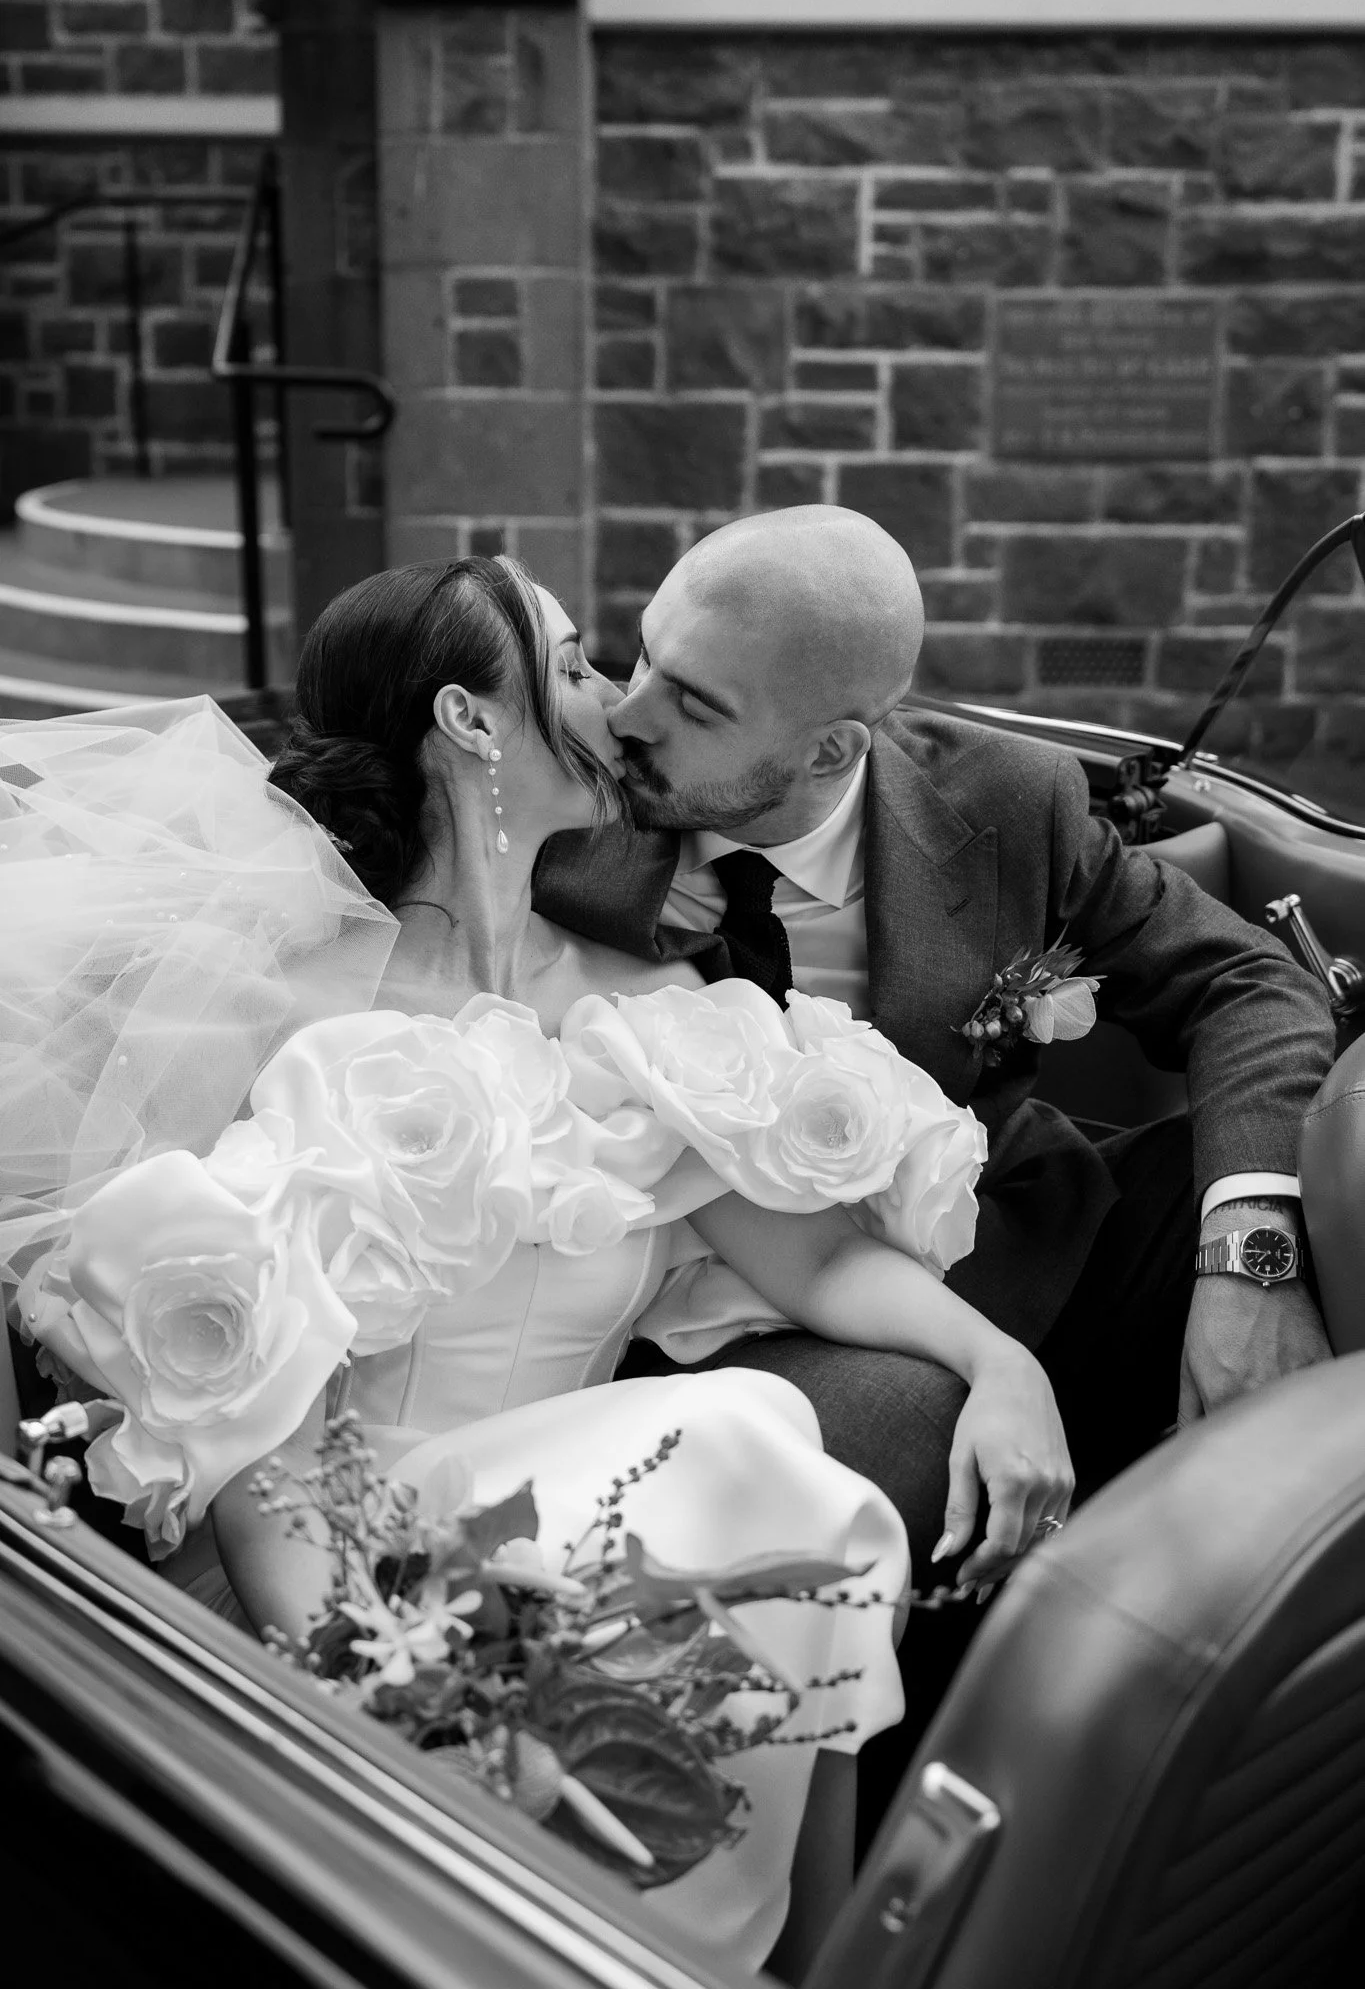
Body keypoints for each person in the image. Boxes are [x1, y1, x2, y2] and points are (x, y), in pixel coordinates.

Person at [0, 556, 1070, 1976]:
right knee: (739, 1440)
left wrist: (1003, 1363)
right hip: (342, 1574)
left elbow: (808, 1263)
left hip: (593, 1538)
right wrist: (377, 1667)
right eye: (574, 664)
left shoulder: (643, 1010)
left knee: (778, 1476)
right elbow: (245, 1410)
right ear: (471, 721)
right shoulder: (273, 1010)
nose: (621, 704)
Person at [533, 504, 1338, 1810]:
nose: (629, 716)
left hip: (1028, 1232)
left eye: (692, 700)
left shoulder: (1005, 801)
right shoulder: (577, 839)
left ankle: (1280, 1667)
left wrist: (1251, 1263)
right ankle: (967, 1810)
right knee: (875, 1454)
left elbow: (1248, 986)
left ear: (836, 745)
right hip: (756, 1315)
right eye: (636, 659)